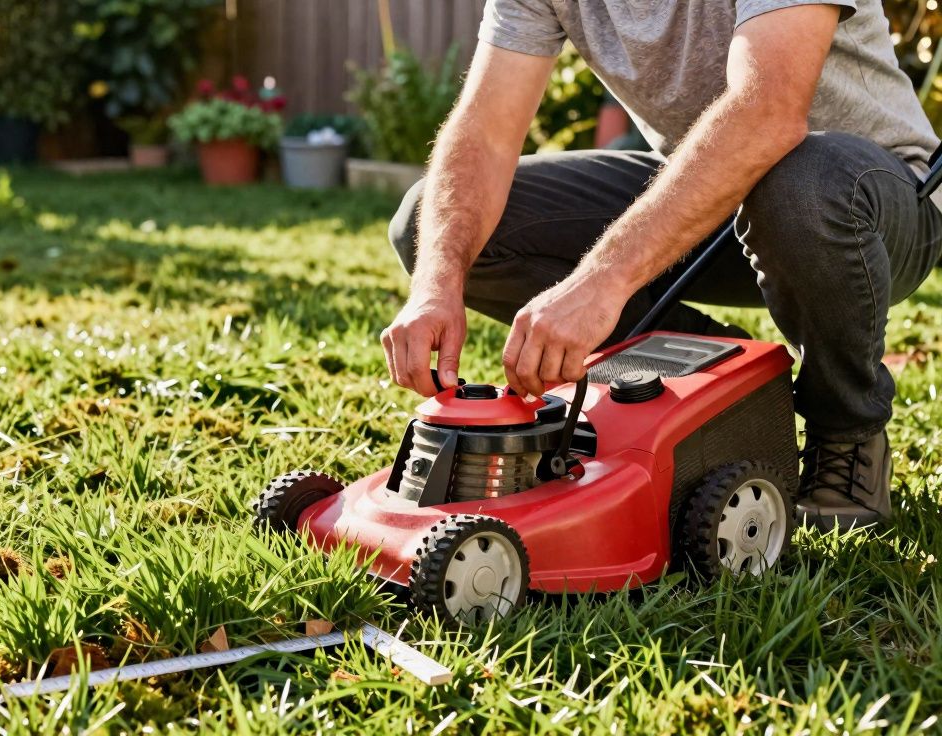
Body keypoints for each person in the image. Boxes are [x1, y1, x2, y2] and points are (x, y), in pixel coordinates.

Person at [381, 0, 942, 531]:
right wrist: (435, 284)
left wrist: (600, 282)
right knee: (433, 229)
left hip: (868, 203)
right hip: (709, 200)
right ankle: (740, 390)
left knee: (800, 180)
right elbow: (484, 128)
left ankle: (845, 433)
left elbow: (768, 111)